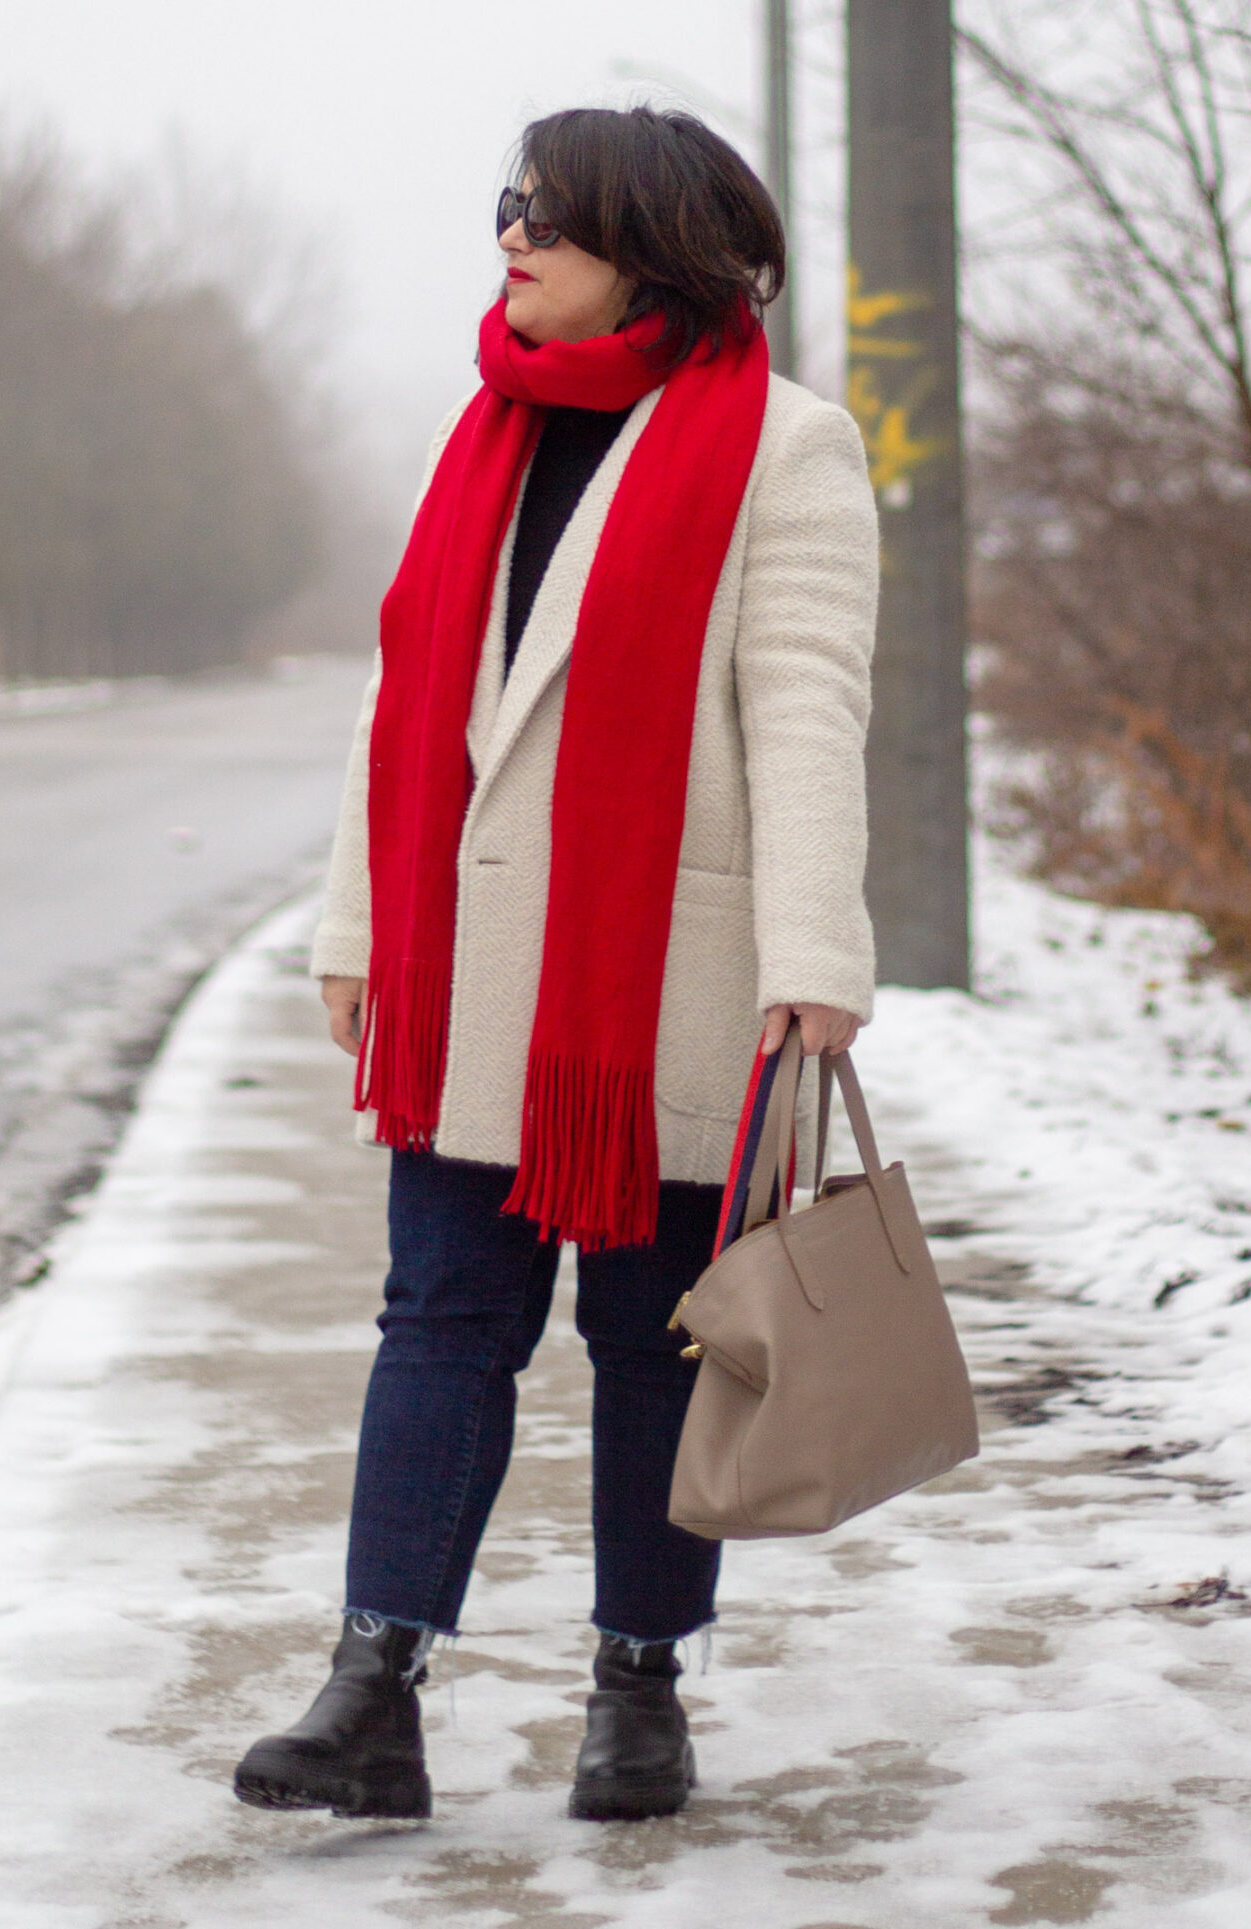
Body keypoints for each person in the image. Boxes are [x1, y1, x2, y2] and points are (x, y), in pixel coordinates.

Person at [233, 104, 878, 1825]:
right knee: (439, 1320)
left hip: (668, 971)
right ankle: (375, 1687)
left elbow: (806, 705)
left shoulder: (785, 448)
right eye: (505, 207)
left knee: (652, 1342)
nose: (511, 237)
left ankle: (641, 1692)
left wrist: (817, 952)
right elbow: (409, 709)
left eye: (547, 214)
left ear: (647, 245)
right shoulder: (489, 432)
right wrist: (360, 927)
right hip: (472, 982)